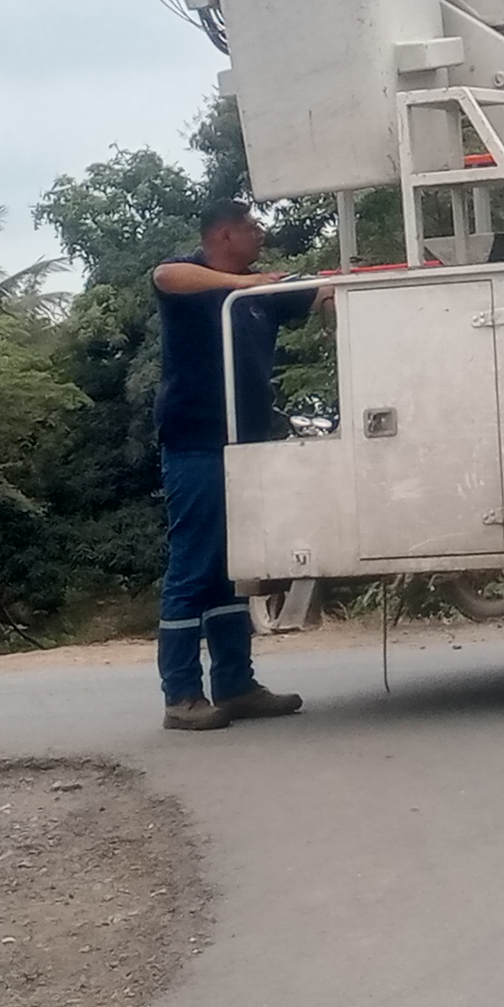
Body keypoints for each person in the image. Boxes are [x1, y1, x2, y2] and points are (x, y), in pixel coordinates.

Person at [150, 200, 319, 734]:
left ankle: (235, 684)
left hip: (248, 446)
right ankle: (181, 695)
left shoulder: (262, 292)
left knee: (234, 567)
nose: (260, 234)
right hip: (197, 442)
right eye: (251, 226)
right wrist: (243, 285)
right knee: (193, 567)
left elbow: (323, 293)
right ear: (224, 235)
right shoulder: (193, 279)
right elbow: (163, 276)